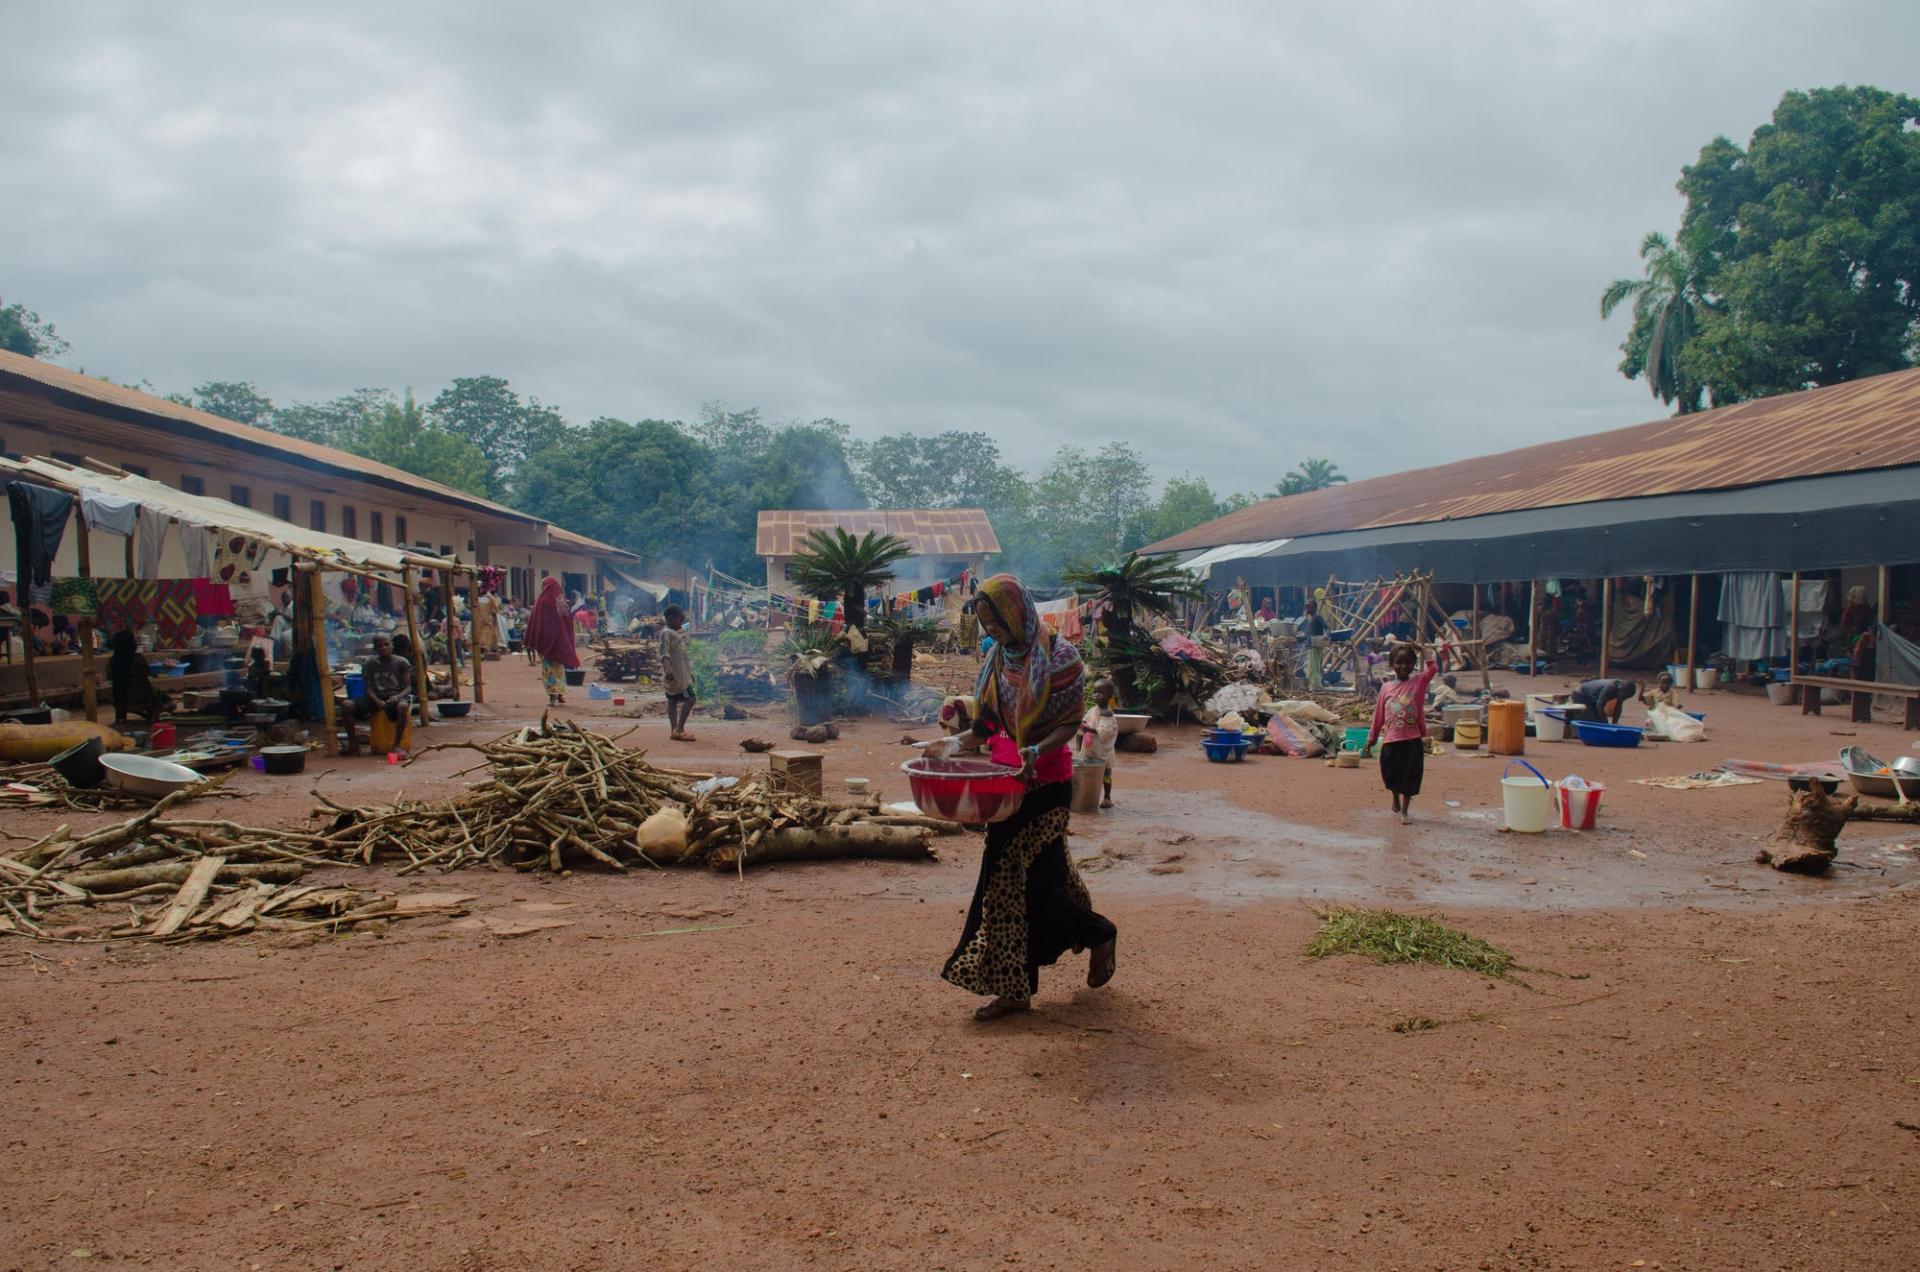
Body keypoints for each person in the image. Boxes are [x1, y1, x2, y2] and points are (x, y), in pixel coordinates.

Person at [942, 574, 1116, 1021]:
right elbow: (983, 728)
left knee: (1003, 878)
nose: (991, 632)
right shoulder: (996, 659)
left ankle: (1015, 989)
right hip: (1005, 781)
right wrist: (951, 744)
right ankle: (1096, 936)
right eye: (985, 625)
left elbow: (1070, 722)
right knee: (1047, 879)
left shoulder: (1062, 658)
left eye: (996, 622)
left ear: (1016, 613)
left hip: (1048, 784)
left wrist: (1036, 749)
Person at [1364, 642, 1442, 824]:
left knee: (1410, 776)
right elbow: (1379, 715)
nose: (1403, 667)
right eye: (1399, 663)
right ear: (1392, 664)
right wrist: (1371, 737)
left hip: (1412, 739)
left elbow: (1433, 669)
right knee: (1390, 773)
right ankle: (1394, 798)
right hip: (1391, 740)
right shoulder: (1386, 688)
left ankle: (1405, 812)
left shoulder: (1418, 682)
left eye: (1408, 663)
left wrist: (1424, 652)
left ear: (1413, 664)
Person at [344, 633, 412, 753]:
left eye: (386, 644)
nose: (384, 647)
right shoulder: (370, 664)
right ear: (375, 649)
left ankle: (396, 745)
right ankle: (353, 744)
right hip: (375, 698)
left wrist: (397, 697)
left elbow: (408, 688)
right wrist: (377, 701)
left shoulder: (401, 662)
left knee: (403, 707)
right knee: (346, 705)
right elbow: (367, 688)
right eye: (380, 646)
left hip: (396, 696)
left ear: (392, 645)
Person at [524, 577, 581, 706]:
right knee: (559, 668)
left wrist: (533, 639)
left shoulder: (542, 601)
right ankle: (560, 694)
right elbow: (568, 623)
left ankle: (552, 696)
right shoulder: (562, 602)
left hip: (545, 642)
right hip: (560, 642)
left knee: (548, 669)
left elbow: (536, 622)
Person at [107, 629, 172, 725]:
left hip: (119, 698)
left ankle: (123, 717)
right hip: (140, 697)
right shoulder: (138, 659)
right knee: (169, 703)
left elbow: (110, 678)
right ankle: (152, 715)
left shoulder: (112, 662)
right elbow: (145, 681)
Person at [1076, 677, 1120, 809]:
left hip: (1102, 751)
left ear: (1109, 696)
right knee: (1090, 774)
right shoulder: (1093, 710)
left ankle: (1107, 797)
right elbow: (1086, 721)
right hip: (1091, 748)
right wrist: (1082, 728)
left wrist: (1088, 728)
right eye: (1095, 691)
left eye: (1101, 692)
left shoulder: (1106, 712)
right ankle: (1089, 795)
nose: (1096, 694)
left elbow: (1105, 732)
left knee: (1106, 774)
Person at [660, 604, 695, 741]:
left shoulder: (675, 633)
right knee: (691, 698)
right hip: (676, 676)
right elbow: (663, 654)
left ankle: (674, 730)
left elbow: (683, 656)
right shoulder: (666, 633)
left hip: (681, 674)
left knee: (673, 700)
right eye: (680, 618)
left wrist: (689, 673)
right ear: (670, 618)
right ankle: (679, 729)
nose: (681, 621)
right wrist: (668, 670)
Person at [1304, 599, 1328, 691]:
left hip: (1315, 645)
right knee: (1311, 667)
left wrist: (1326, 636)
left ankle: (1317, 688)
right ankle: (1313, 686)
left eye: (1308, 607)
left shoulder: (1317, 617)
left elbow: (1327, 627)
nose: (1306, 609)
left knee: (1315, 667)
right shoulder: (1311, 619)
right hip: (1311, 645)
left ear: (1314, 608)